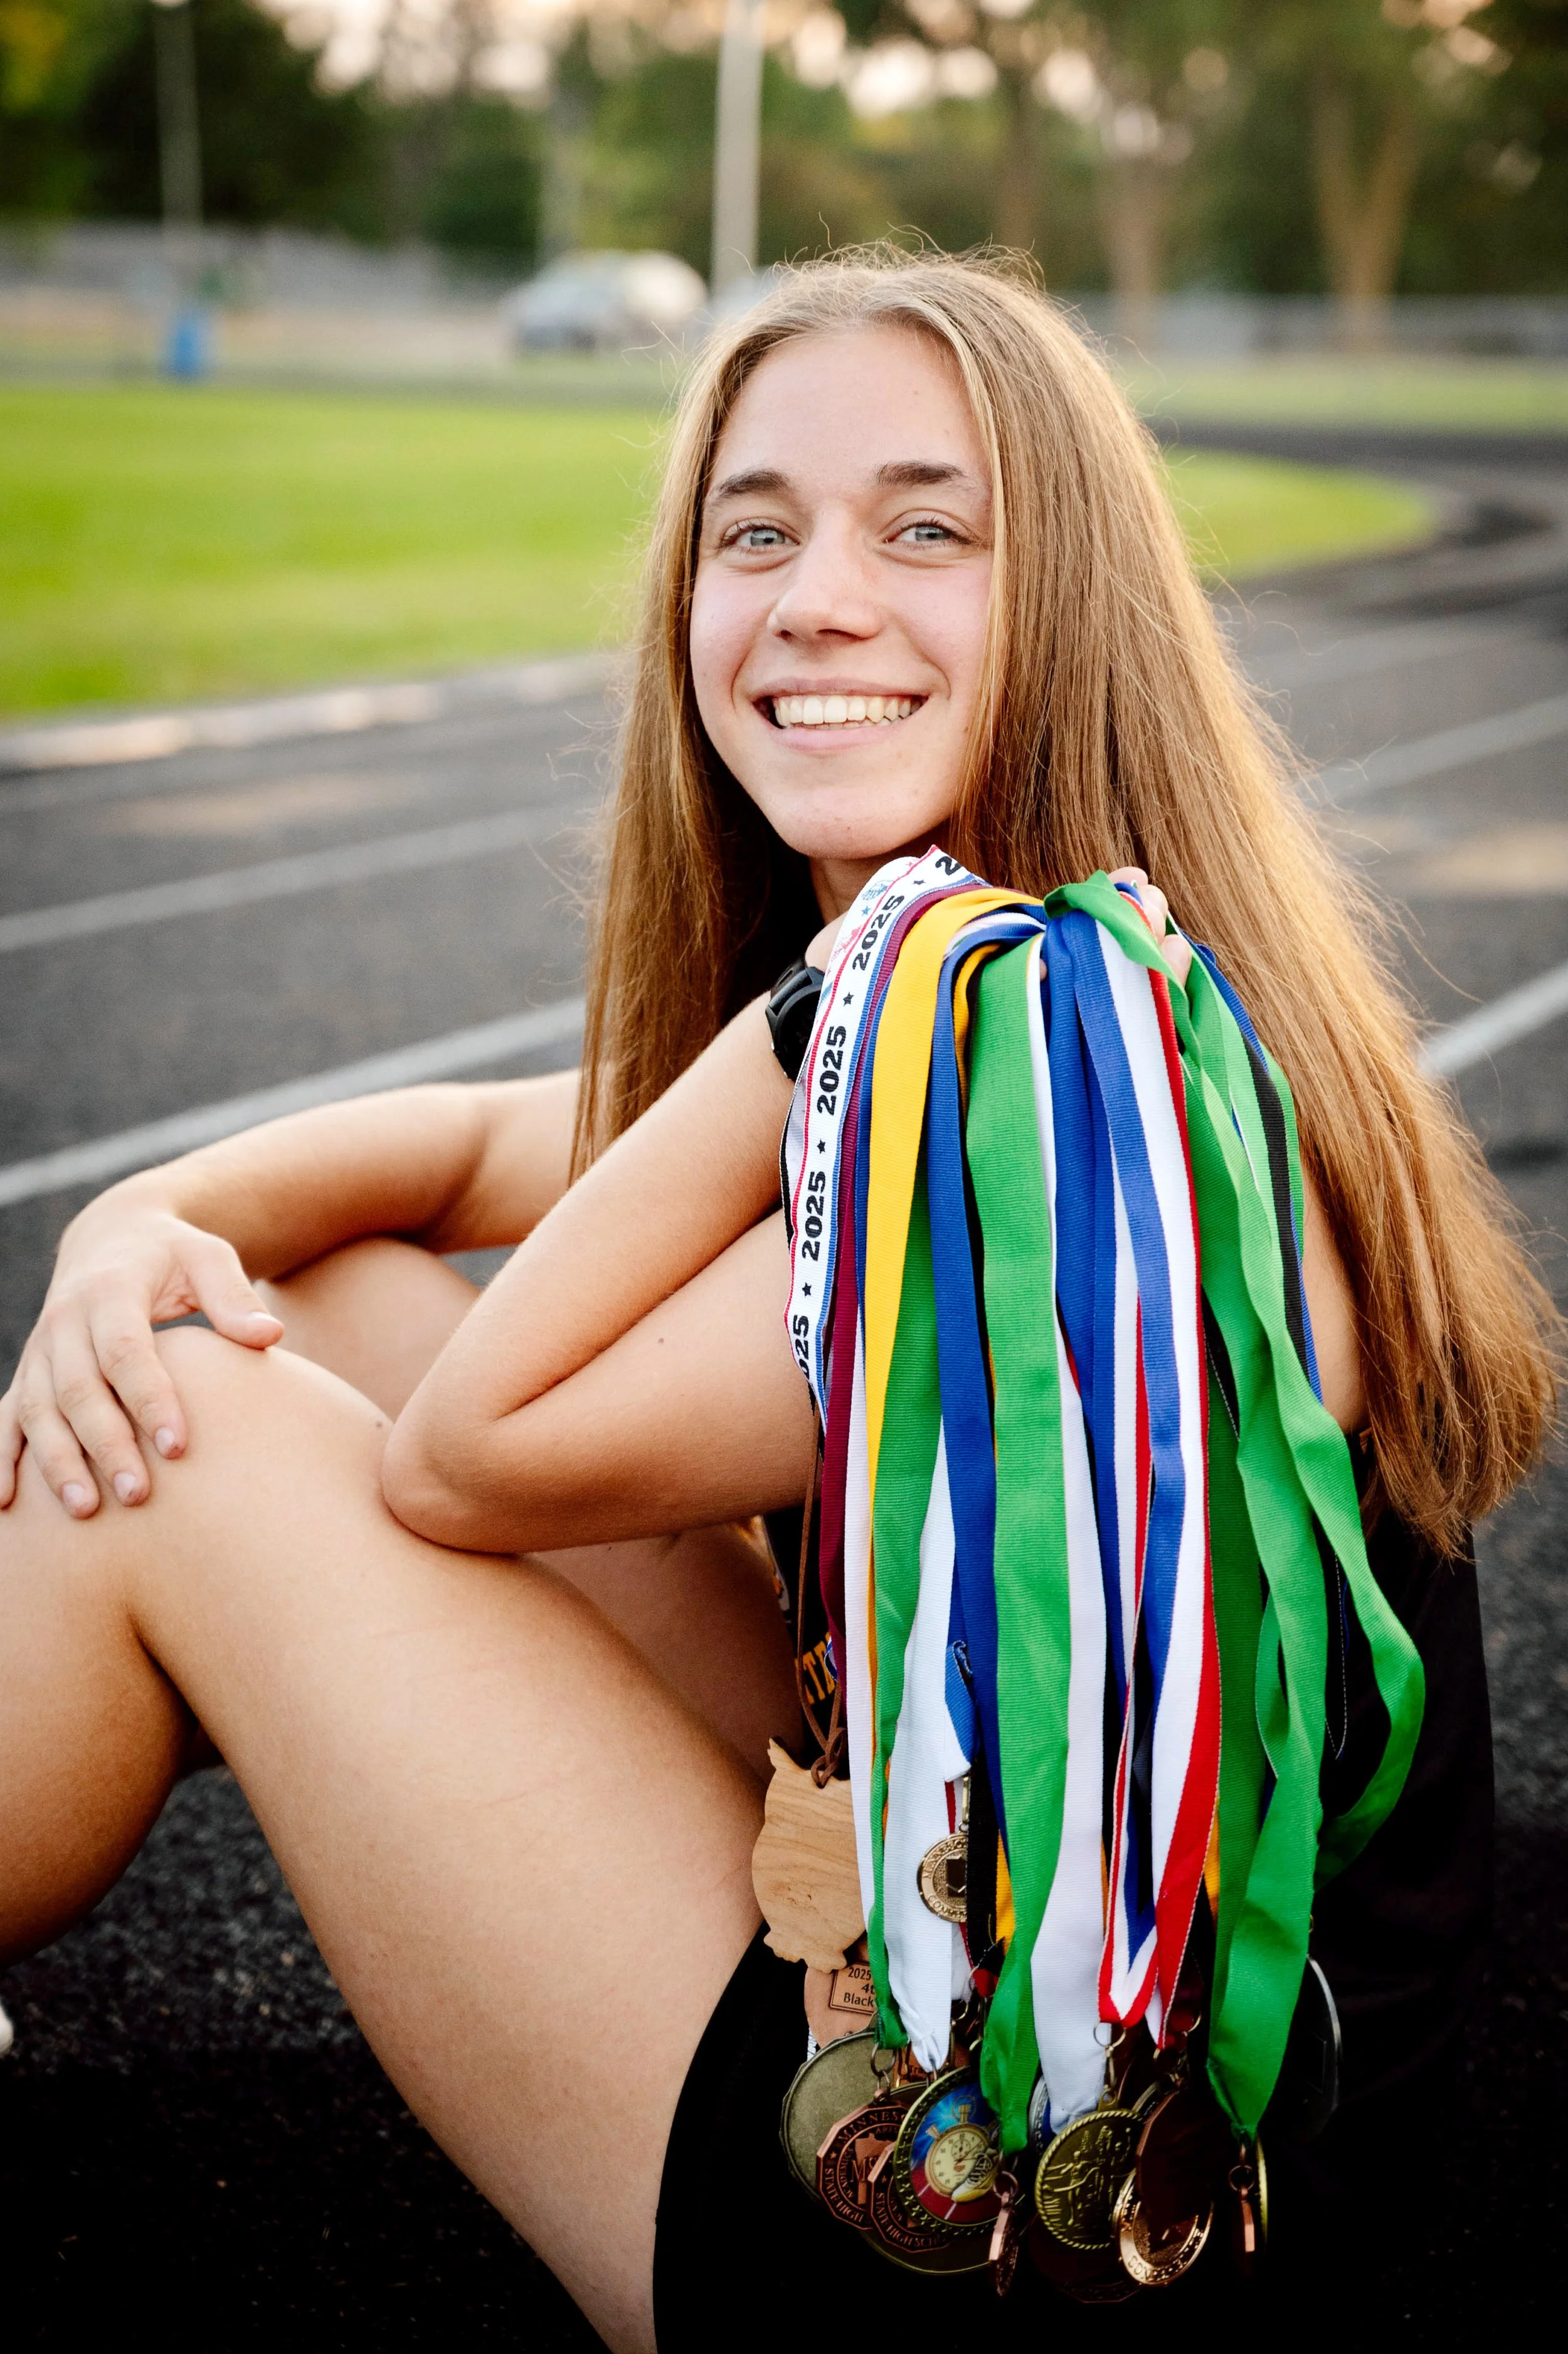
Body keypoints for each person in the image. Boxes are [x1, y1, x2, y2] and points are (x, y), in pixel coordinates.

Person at [0, 253, 1553, 2350]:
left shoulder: (1064, 1115)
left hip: (1002, 2223)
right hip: (969, 1987)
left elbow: (471, 1462)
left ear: (1072, 605)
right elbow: (457, 1165)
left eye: (925, 528)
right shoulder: (1014, 1016)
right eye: (757, 532)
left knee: (187, 1443)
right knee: (330, 1300)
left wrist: (810, 1021)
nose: (815, 596)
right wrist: (129, 1217)